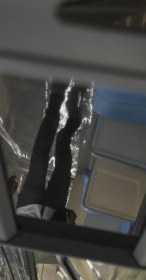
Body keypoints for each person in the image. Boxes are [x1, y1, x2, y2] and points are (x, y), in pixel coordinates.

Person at [15, 82, 87, 224]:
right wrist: (69, 226)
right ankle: (69, 128)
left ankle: (56, 99)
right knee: (64, 169)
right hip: (53, 214)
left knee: (40, 159)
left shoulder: (6, 247)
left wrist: (9, 198)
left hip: (26, 209)